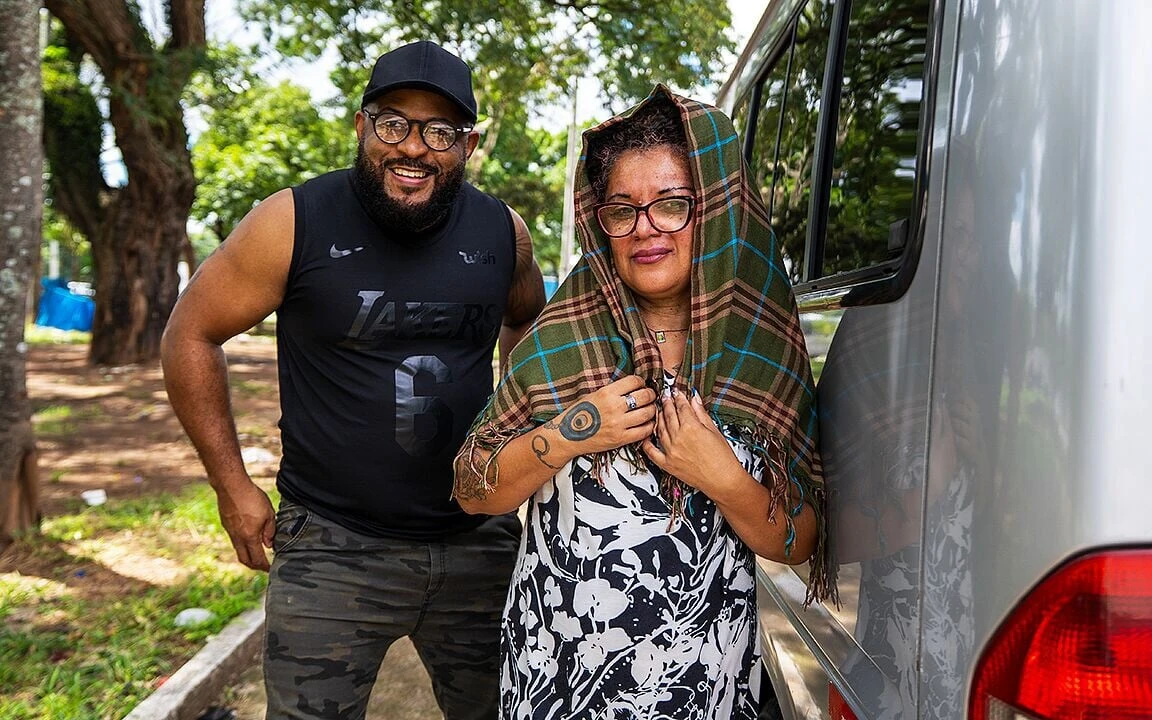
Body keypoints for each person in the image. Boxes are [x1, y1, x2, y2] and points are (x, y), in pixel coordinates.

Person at [161, 40, 545, 720]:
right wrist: (231, 484)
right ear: (362, 125)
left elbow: (528, 325)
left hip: (478, 541)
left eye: (439, 131)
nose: (413, 148)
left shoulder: (502, 232)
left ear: (467, 144)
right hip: (333, 548)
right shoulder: (292, 221)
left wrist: (515, 433)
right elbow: (190, 334)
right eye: (393, 123)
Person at [453, 87, 835, 719]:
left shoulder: (761, 354)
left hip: (705, 689)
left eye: (672, 204)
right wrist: (574, 431)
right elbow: (472, 490)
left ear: (717, 212)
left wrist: (722, 475)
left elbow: (798, 542)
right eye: (622, 210)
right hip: (557, 685)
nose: (645, 228)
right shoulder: (563, 338)